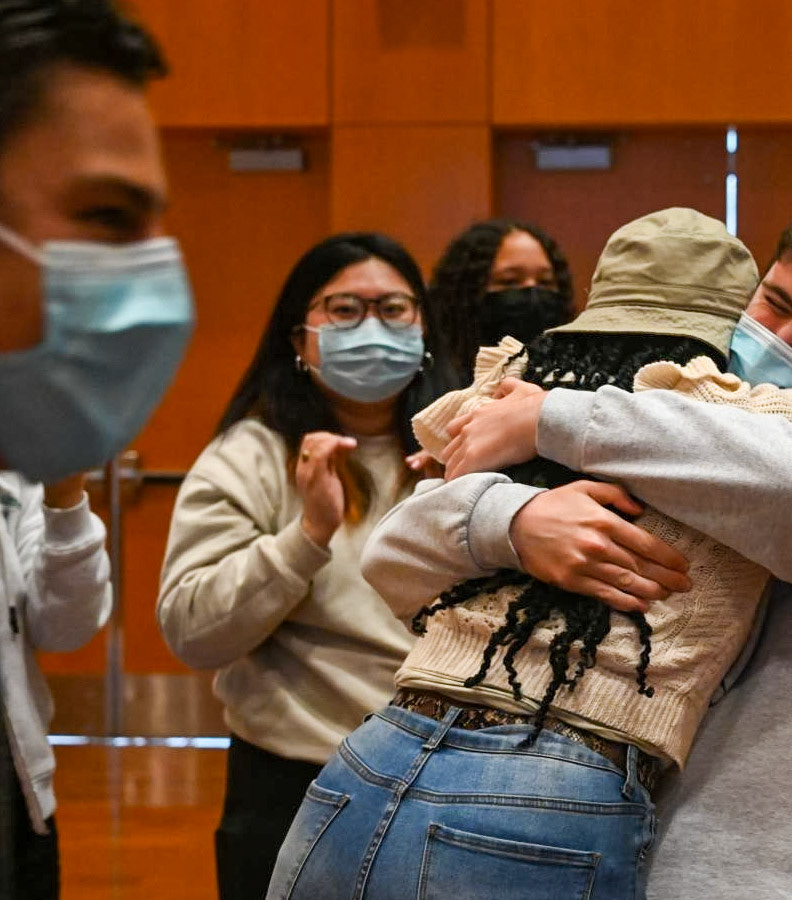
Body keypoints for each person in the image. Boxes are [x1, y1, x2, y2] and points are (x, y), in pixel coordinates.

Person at [267, 207, 792, 899]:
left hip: (721, 875)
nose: (777, 340)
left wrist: (552, 417)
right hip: (443, 779)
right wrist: (517, 520)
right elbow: (394, 549)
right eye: (773, 304)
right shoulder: (671, 414)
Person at [156, 232, 455, 900]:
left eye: (394, 309)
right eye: (345, 310)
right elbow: (193, 632)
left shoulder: (465, 451)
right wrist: (308, 534)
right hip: (293, 782)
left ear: (424, 329)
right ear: (300, 339)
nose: (372, 328)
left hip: (447, 781)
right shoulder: (252, 454)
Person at [0, 2, 176, 896]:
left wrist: (66, 490)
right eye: (107, 215)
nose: (151, 276)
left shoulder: (16, 437)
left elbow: (63, 626)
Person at [427, 218, 574, 385]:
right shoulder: (434, 383)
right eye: (509, 281)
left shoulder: (576, 382)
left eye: (545, 282)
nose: (532, 291)